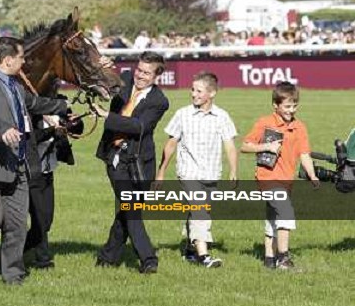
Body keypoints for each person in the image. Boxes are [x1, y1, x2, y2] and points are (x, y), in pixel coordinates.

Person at [0, 37, 68, 285]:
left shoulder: (15, 85)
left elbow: (35, 103)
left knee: (17, 226)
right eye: (21, 57)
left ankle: (13, 275)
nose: (24, 61)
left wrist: (64, 105)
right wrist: (2, 127)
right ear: (8, 60)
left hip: (15, 167)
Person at [92, 52, 169, 274]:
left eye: (146, 73)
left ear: (156, 76)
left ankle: (108, 257)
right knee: (131, 208)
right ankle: (148, 258)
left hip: (141, 164)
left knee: (126, 212)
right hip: (116, 159)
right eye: (139, 70)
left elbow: (138, 127)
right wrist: (102, 68)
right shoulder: (124, 79)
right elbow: (100, 84)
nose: (140, 76)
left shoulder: (159, 101)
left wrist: (107, 116)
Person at [156, 72, 238, 268]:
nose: (193, 94)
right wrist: (161, 173)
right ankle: (204, 256)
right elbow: (170, 145)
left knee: (197, 211)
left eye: (199, 91)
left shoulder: (222, 117)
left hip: (211, 174)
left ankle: (190, 250)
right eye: (192, 90)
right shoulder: (182, 114)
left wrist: (233, 171)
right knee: (200, 211)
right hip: (188, 173)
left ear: (212, 93)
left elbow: (229, 145)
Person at [241, 81, 319, 270]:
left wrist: (313, 175)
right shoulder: (264, 122)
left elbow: (304, 154)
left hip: (287, 180)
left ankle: (269, 258)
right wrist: (266, 146)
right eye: (287, 106)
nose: (291, 110)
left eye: (294, 105)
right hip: (267, 179)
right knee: (285, 211)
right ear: (275, 106)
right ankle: (283, 258)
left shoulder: (299, 126)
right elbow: (245, 146)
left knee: (272, 217)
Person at [23, 105, 84, 269]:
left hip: (48, 171)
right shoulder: (28, 112)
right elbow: (29, 139)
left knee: (46, 222)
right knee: (40, 221)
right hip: (31, 173)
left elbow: (77, 131)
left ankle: (15, 251)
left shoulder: (58, 107)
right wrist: (52, 131)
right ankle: (41, 259)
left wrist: (74, 122)